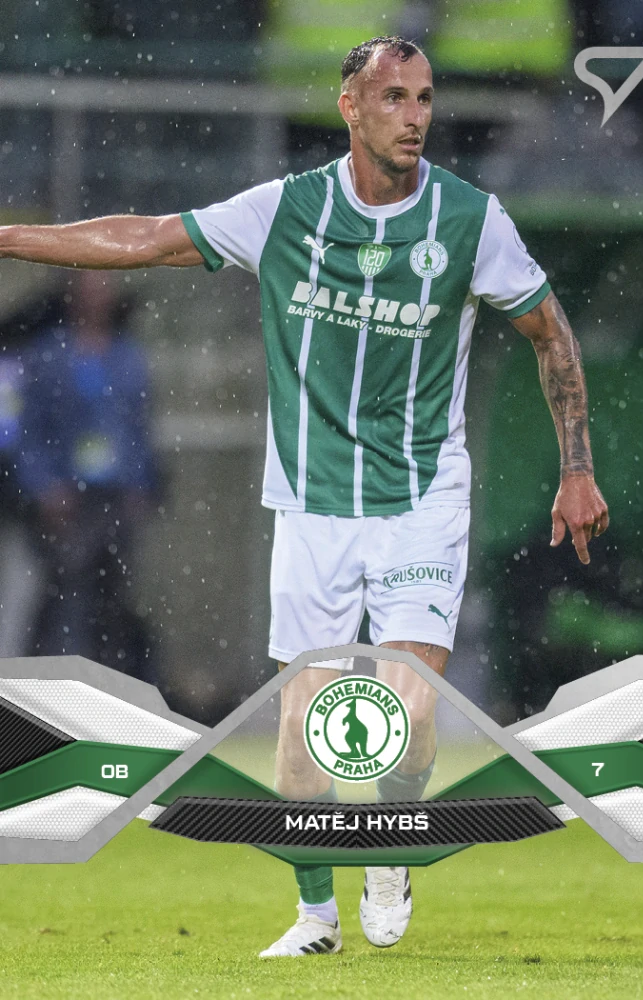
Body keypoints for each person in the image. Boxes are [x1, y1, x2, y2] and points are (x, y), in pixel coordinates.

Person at [0, 36, 608, 957]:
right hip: (312, 504)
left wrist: (577, 466)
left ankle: (389, 851)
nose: (415, 116)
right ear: (349, 107)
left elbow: (550, 332)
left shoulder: (470, 220)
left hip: (422, 499)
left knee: (405, 709)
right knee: (306, 725)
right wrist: (9, 238)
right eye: (394, 97)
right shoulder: (284, 212)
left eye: (425, 97)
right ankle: (316, 915)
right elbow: (147, 236)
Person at [16, 272, 158, 680]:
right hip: (65, 498)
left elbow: (139, 428)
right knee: (64, 596)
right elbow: (31, 430)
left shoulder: (128, 357)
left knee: (114, 599)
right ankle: (52, 683)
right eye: (88, 290)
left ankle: (110, 682)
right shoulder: (48, 354)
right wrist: (44, 487)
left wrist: (140, 485)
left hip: (114, 496)